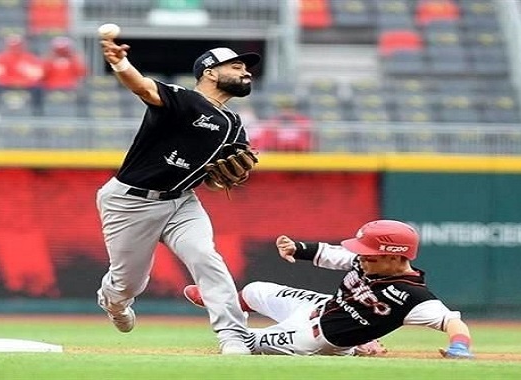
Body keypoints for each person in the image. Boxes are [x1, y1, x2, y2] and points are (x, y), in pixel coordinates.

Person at [96, 35, 262, 355]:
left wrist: (224, 180)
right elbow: (143, 87)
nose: (247, 72)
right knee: (127, 283)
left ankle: (233, 335)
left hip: (182, 202)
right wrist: (119, 62)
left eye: (247, 68)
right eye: (237, 66)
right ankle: (113, 303)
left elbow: (219, 177)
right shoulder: (183, 99)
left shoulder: (232, 122)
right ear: (210, 72)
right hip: (129, 202)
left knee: (205, 257)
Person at [183, 219, 474, 358]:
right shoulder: (368, 262)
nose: (361, 257)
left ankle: (357, 347)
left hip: (317, 338)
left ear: (395, 257)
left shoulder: (414, 297)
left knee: (243, 344)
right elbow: (333, 255)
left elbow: (452, 321)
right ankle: (219, 302)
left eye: (369, 254)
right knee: (256, 289)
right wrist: (298, 249)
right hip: (319, 306)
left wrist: (459, 347)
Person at [0, 34, 44, 114]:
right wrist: (12, 81)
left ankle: (37, 112)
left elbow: (37, 75)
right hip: (7, 84)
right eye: (13, 46)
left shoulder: (30, 58)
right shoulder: (0, 58)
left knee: (38, 89)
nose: (15, 48)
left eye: (18, 46)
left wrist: (22, 81)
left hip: (26, 84)